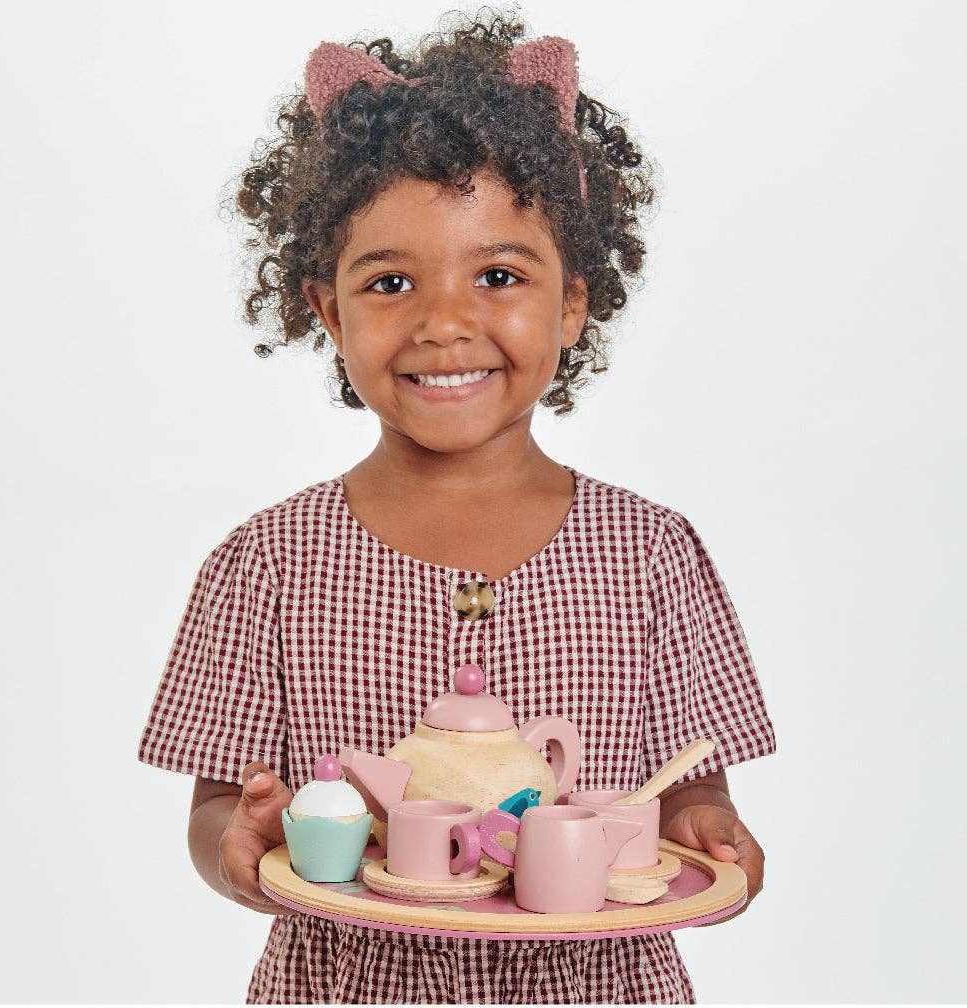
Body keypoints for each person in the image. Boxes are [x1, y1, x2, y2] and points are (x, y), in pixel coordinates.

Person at [138, 12, 776, 1004]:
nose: (445, 322)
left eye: (499, 275)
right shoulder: (264, 563)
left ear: (572, 303)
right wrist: (239, 843)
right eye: (390, 281)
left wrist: (706, 830)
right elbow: (218, 810)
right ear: (326, 309)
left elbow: (689, 793)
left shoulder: (654, 554)